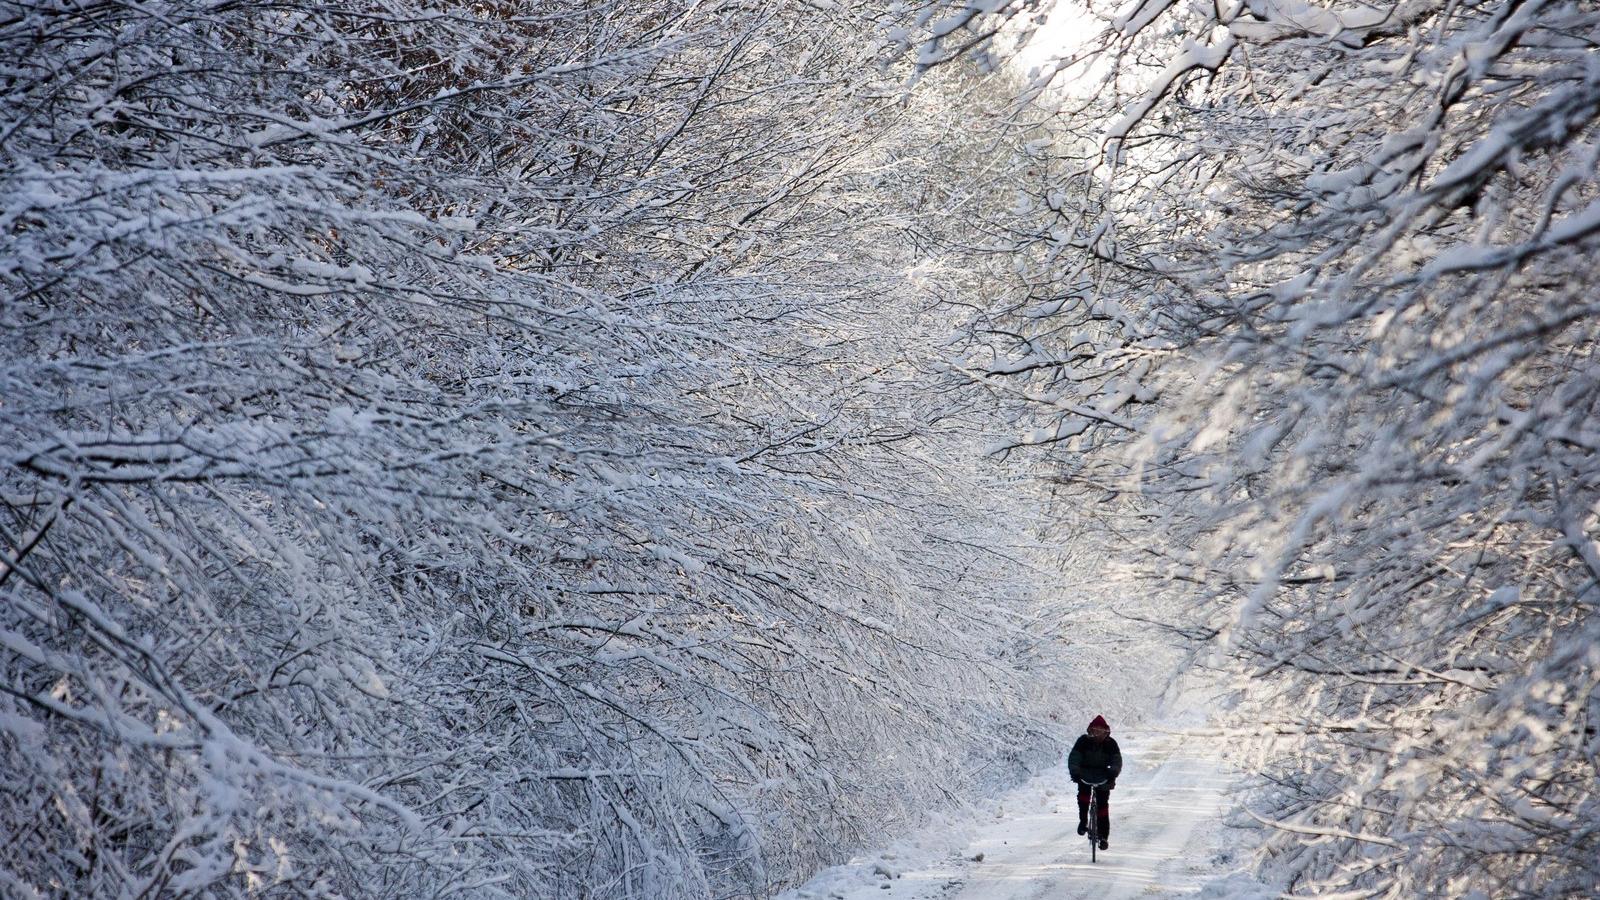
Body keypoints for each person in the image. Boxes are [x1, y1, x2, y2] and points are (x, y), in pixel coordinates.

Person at [1068, 714, 1122, 850]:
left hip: (1103, 775)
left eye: (1100, 729)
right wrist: (1075, 771)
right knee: (1083, 796)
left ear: (1105, 730)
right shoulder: (1083, 741)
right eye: (1095, 729)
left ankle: (1103, 836)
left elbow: (1116, 760)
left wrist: (1113, 773)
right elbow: (1074, 757)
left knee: (1103, 805)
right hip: (1084, 773)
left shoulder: (1111, 744)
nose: (1097, 732)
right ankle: (1083, 822)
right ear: (1090, 729)